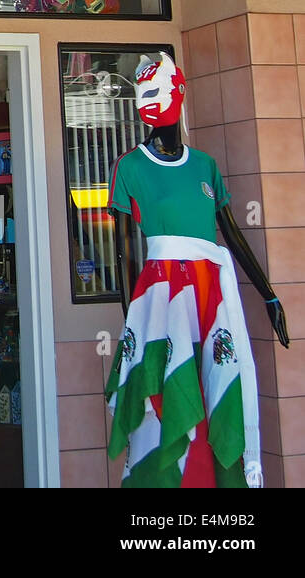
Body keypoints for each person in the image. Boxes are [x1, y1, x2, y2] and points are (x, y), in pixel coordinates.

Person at [106, 52, 289, 488]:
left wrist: (269, 294)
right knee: (167, 400)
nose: (148, 100)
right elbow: (124, 257)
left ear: (179, 91)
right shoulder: (130, 167)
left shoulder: (205, 165)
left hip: (213, 300)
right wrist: (134, 329)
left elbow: (230, 233)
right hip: (162, 303)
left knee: (217, 390)